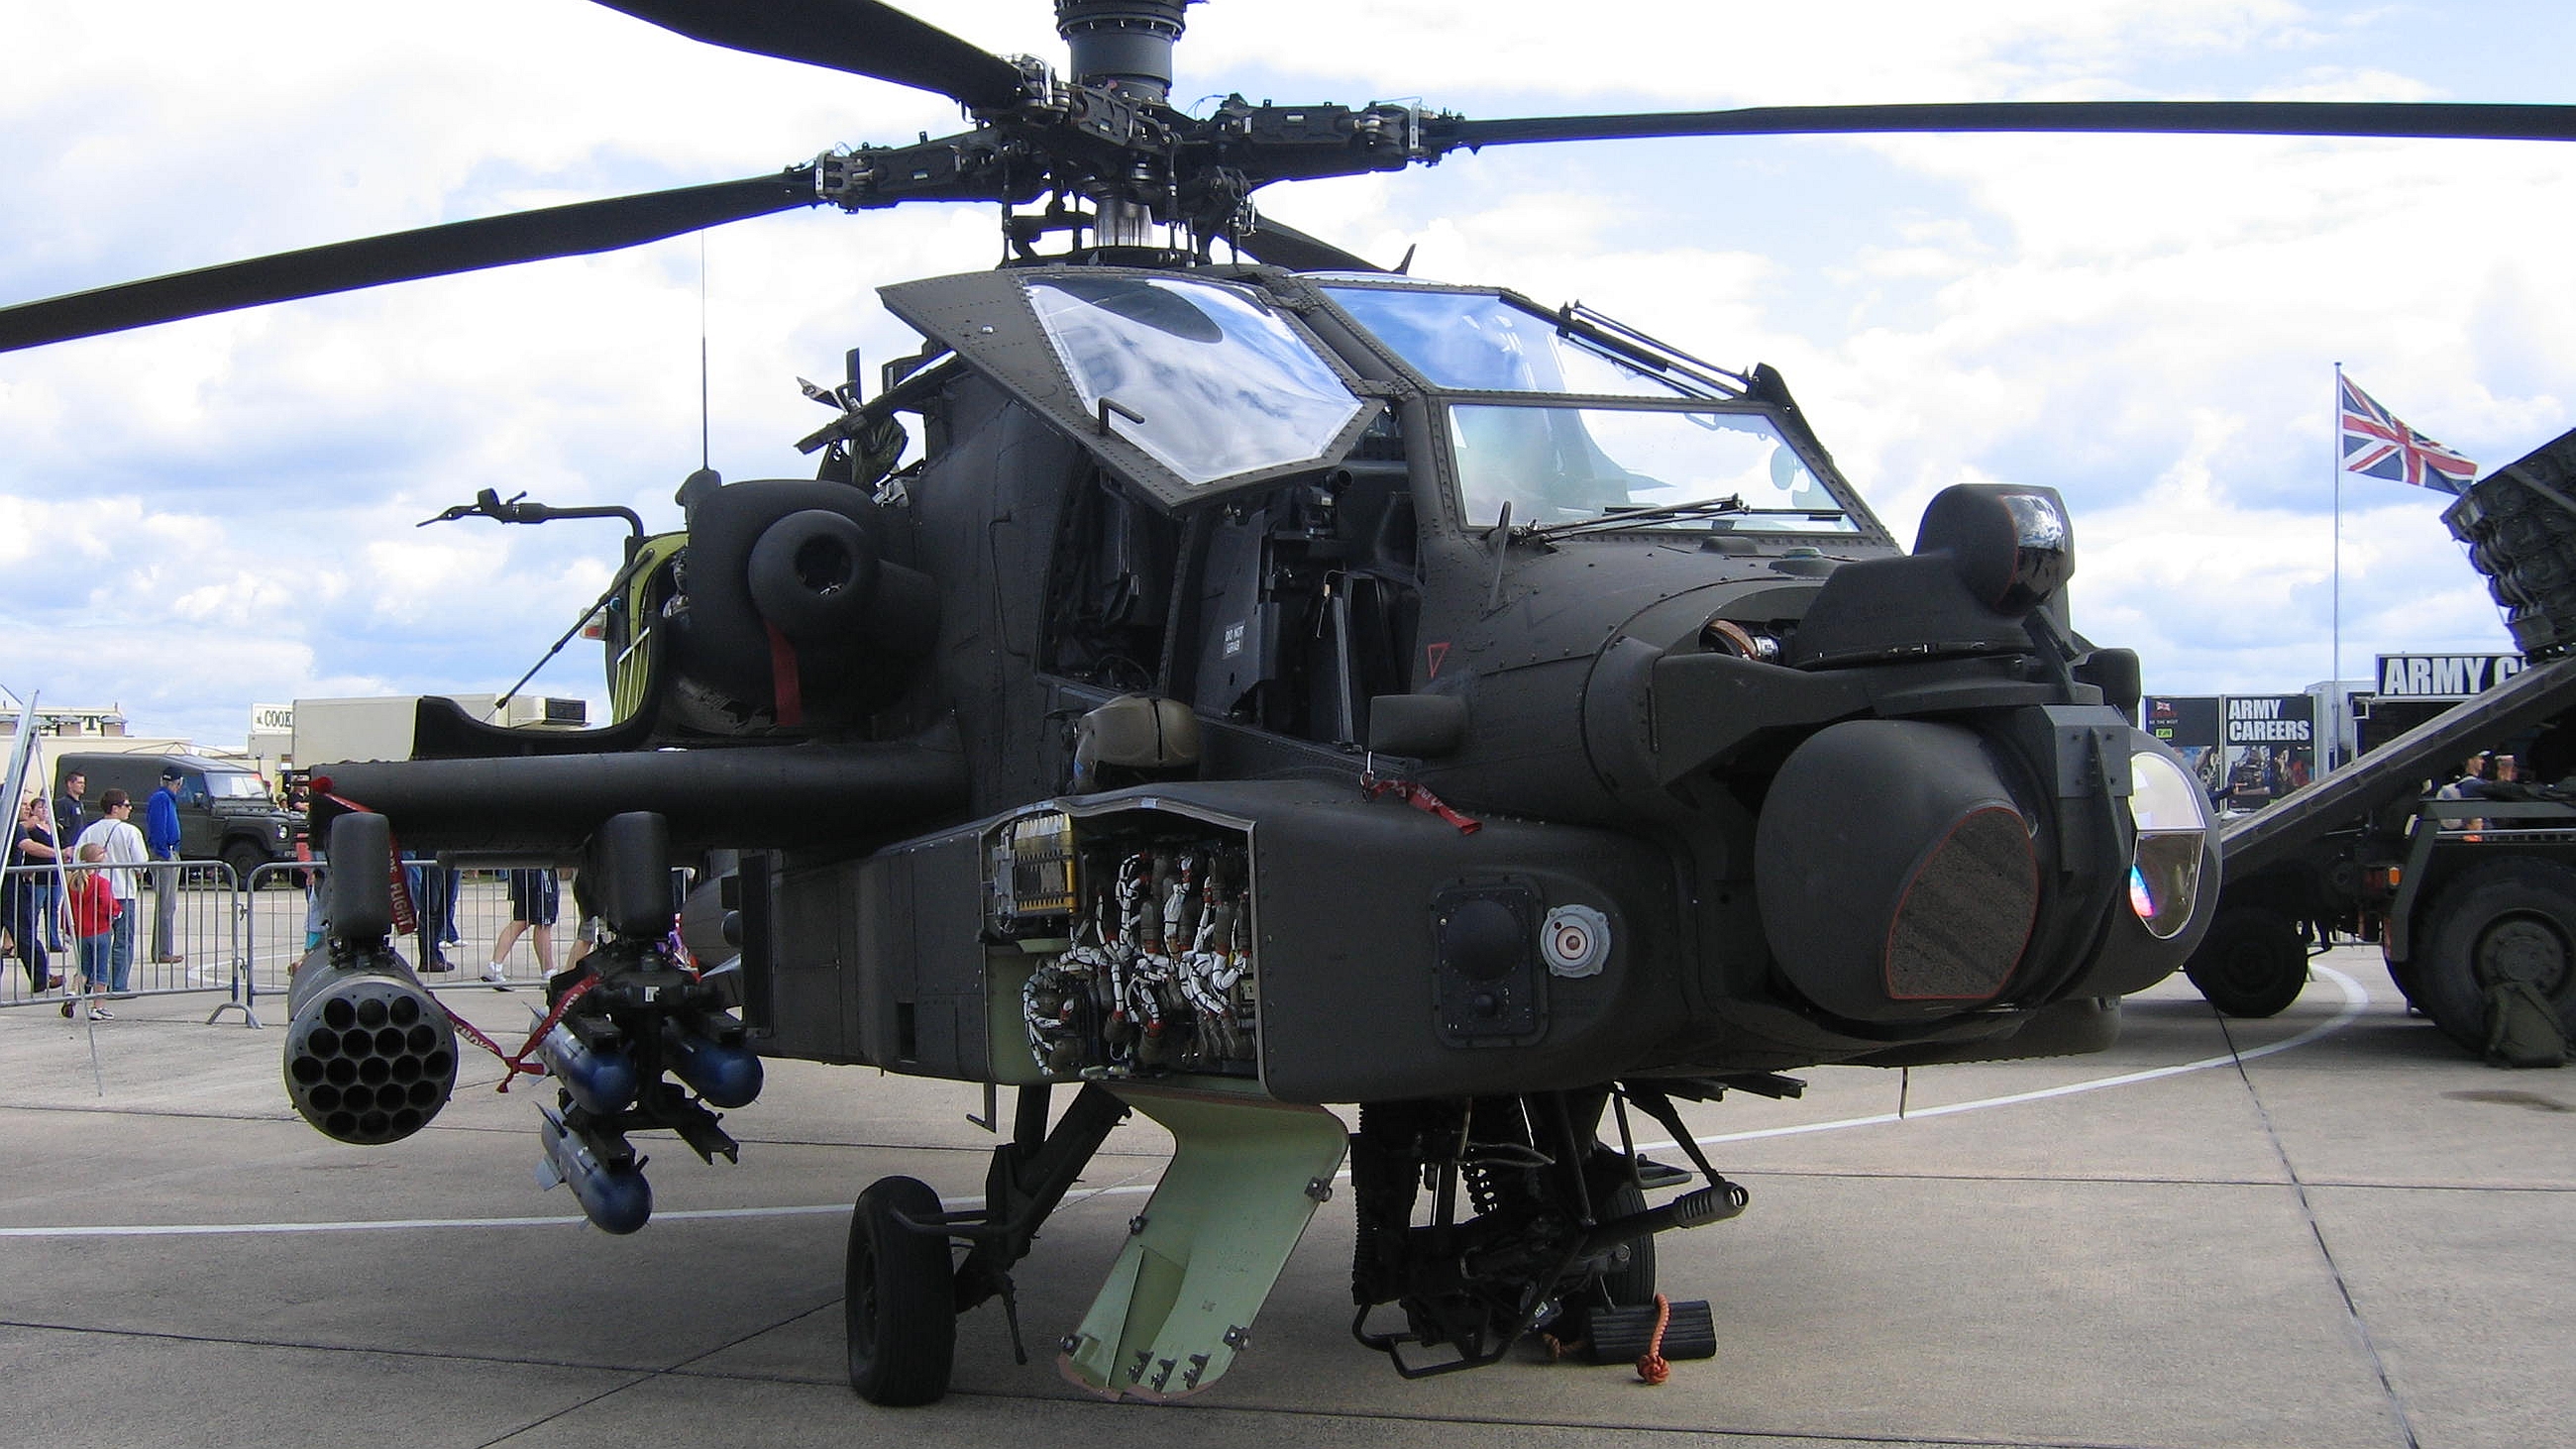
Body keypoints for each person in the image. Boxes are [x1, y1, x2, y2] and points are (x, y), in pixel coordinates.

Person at [74, 790, 148, 997]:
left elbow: (77, 861)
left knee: (96, 941)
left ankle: (88, 981)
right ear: (115, 808)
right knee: (122, 940)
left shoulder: (89, 831)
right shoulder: (130, 832)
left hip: (94, 892)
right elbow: (141, 865)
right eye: (126, 805)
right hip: (122, 891)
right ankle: (118, 984)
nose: (130, 808)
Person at [7, 795, 60, 993]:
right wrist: (59, 854)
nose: (27, 808)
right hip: (9, 887)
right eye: (22, 803)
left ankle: (41, 976)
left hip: (14, 881)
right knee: (25, 932)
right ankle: (40, 976)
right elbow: (27, 846)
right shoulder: (11, 823)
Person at [61, 841, 118, 1019]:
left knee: (83, 967)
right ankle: (97, 1007)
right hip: (99, 929)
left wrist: (66, 928)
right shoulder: (100, 882)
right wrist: (116, 912)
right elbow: (107, 904)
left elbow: (66, 907)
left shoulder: (73, 883)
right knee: (101, 968)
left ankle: (73, 992)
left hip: (79, 931)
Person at [485, 867, 559, 987]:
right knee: (544, 922)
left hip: (521, 866)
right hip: (541, 868)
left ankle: (496, 965)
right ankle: (548, 973)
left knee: (522, 919)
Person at [145, 769, 184, 965]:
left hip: (168, 851)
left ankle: (163, 948)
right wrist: (165, 853)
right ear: (179, 782)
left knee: (169, 904)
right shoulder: (161, 799)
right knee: (166, 904)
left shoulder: (164, 798)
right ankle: (162, 950)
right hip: (164, 853)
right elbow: (158, 827)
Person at [46, 770, 86, 952]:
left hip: (77, 854)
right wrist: (65, 849)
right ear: (69, 784)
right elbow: (62, 828)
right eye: (79, 783)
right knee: (58, 898)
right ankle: (54, 937)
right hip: (67, 855)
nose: (82, 786)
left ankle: (70, 929)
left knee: (73, 896)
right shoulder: (63, 804)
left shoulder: (79, 804)